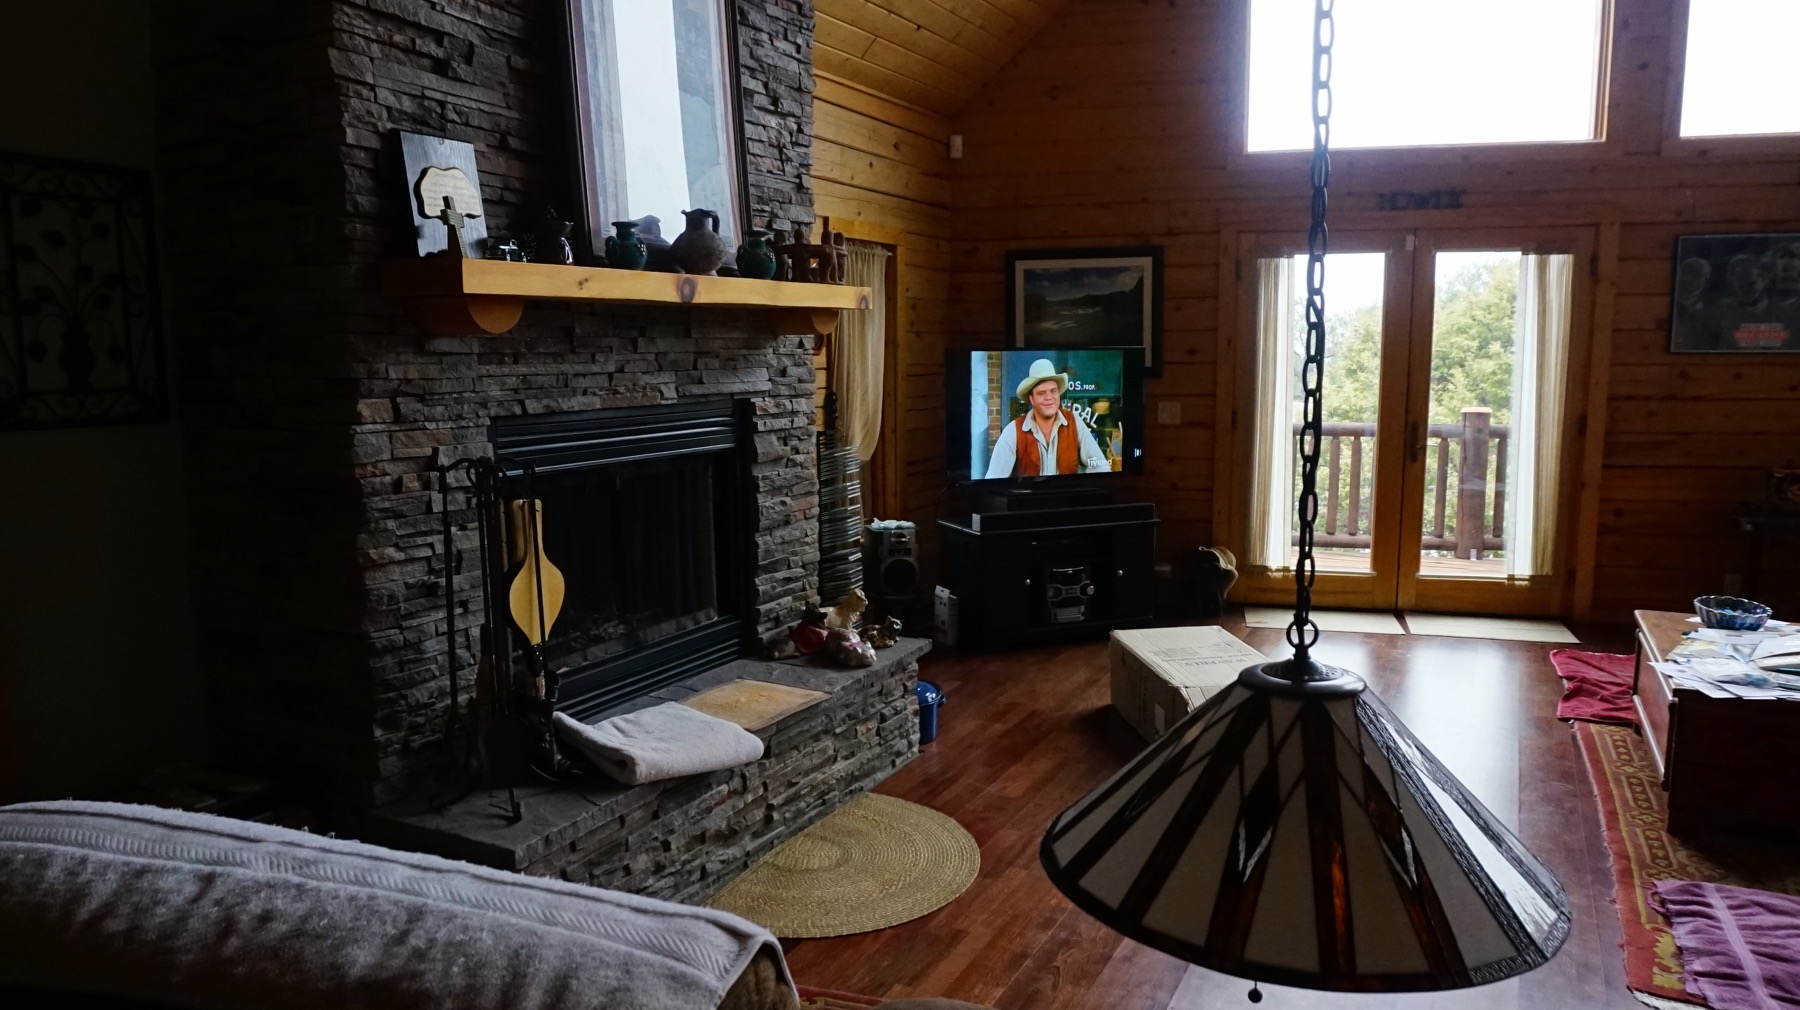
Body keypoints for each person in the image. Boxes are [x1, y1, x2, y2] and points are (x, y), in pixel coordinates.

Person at [984, 358, 1112, 478]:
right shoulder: (1013, 431)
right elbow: (994, 478)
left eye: (1053, 391)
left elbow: (1100, 466)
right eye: (1041, 393)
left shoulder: (1074, 422)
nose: (1049, 397)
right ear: (1031, 399)